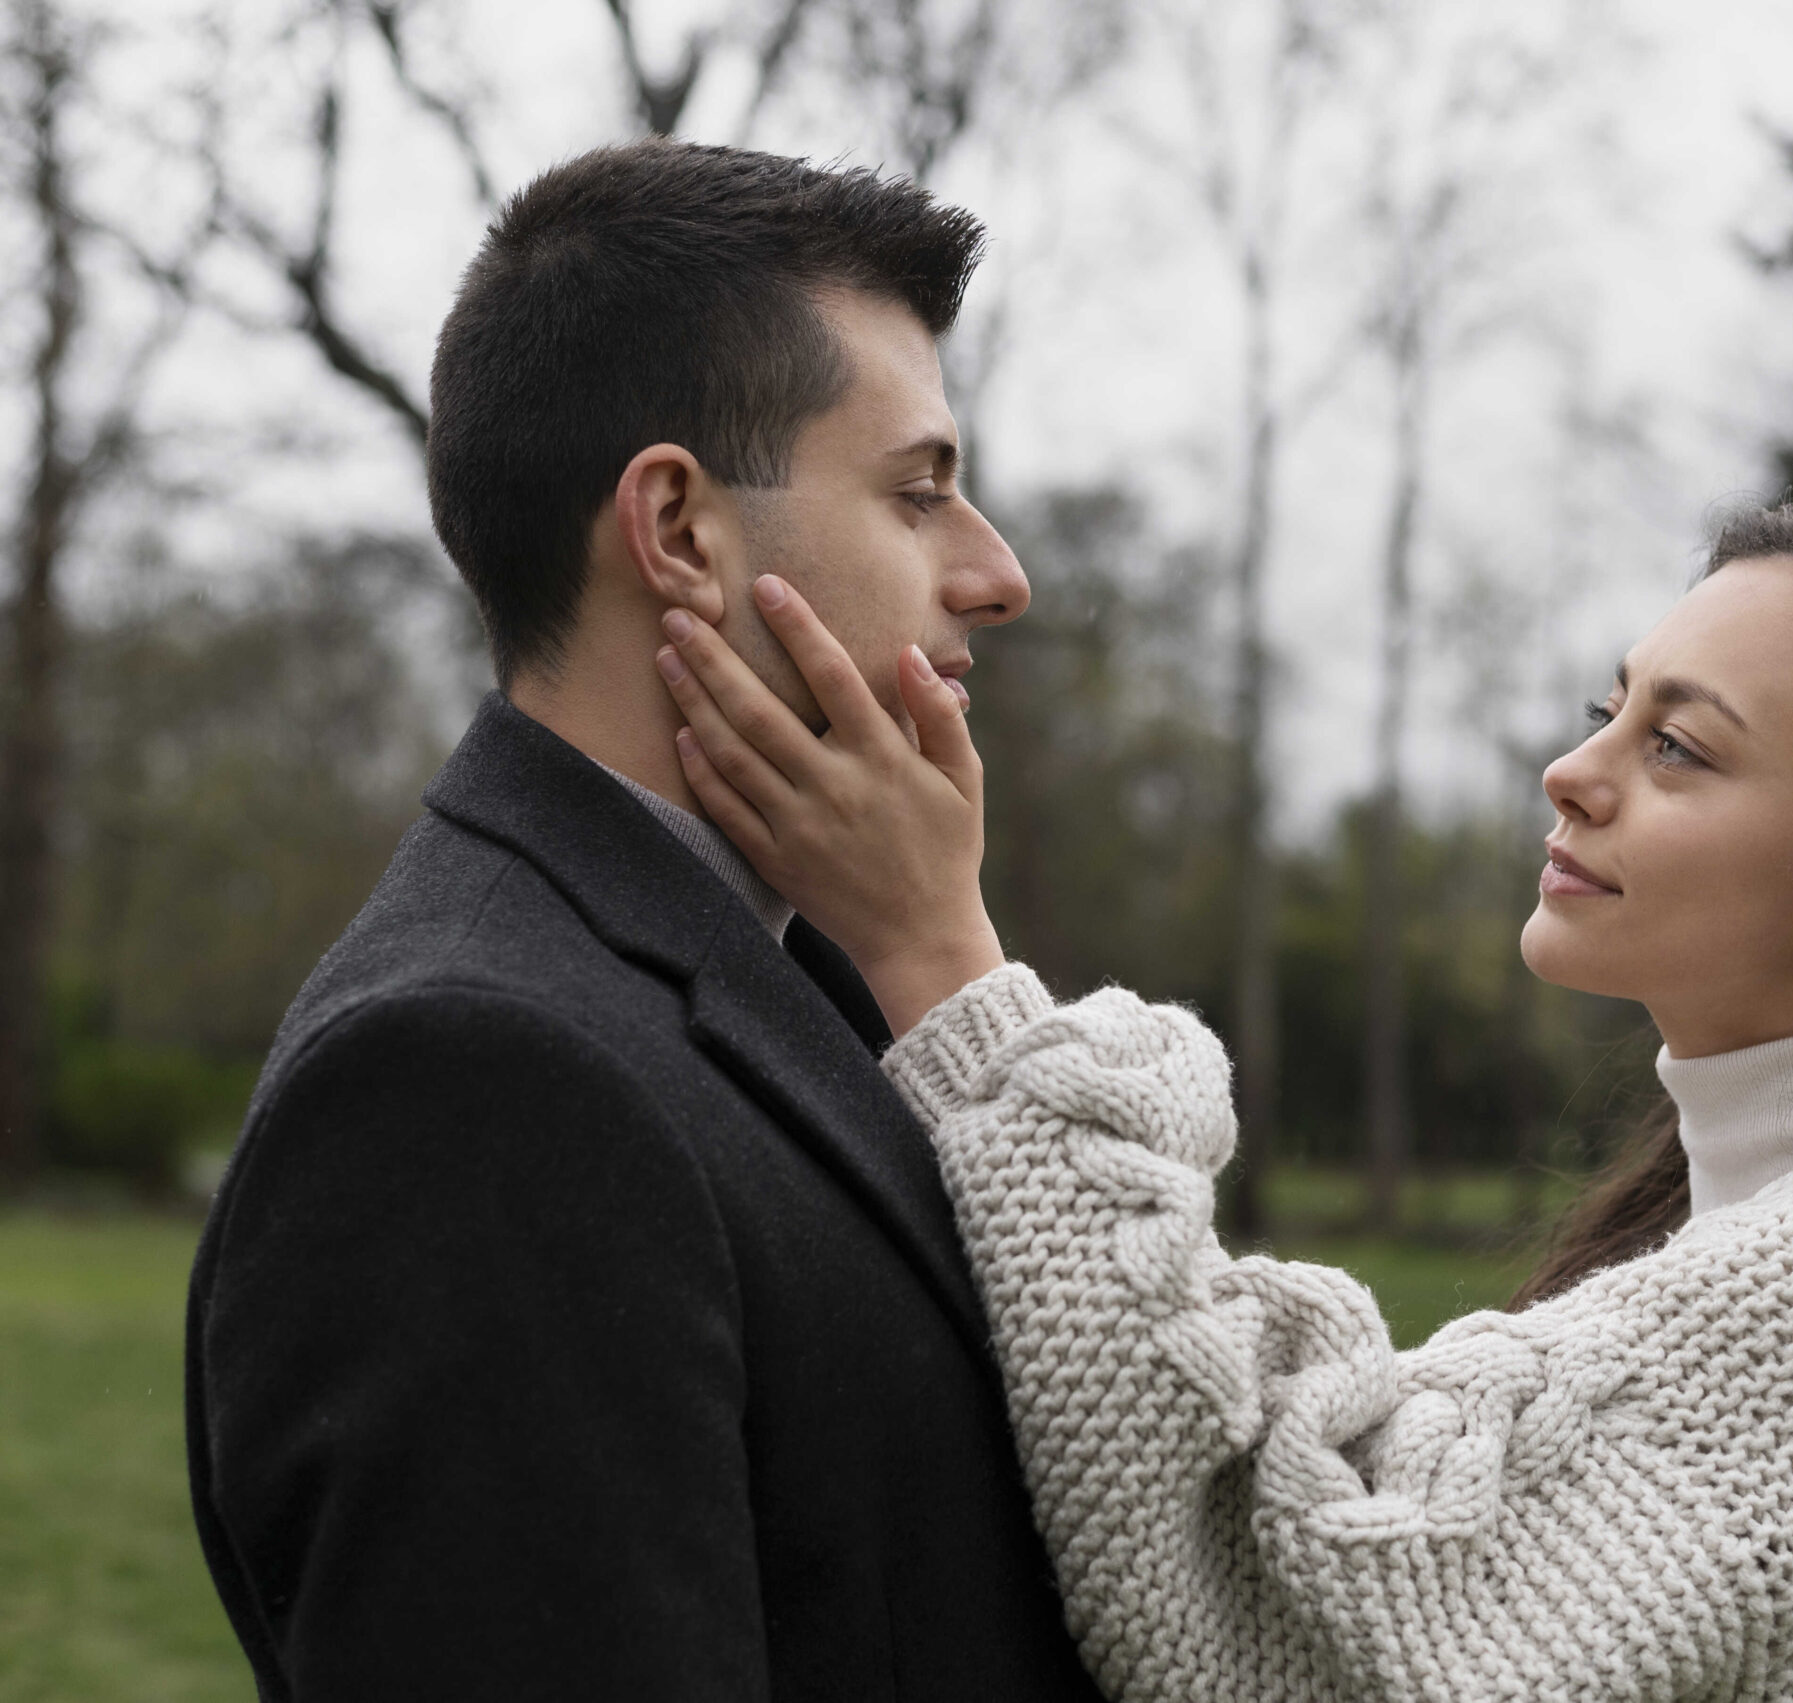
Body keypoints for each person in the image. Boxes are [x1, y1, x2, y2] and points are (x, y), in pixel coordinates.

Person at [652, 497, 1793, 1703]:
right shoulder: (1752, 1224)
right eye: (1612, 710)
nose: (1574, 772)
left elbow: (1323, 1625)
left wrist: (943, 959)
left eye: (1683, 750)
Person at [184, 140, 1105, 1701]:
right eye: (919, 493)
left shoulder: (832, 973)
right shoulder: (470, 1083)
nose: (997, 576)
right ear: (677, 529)